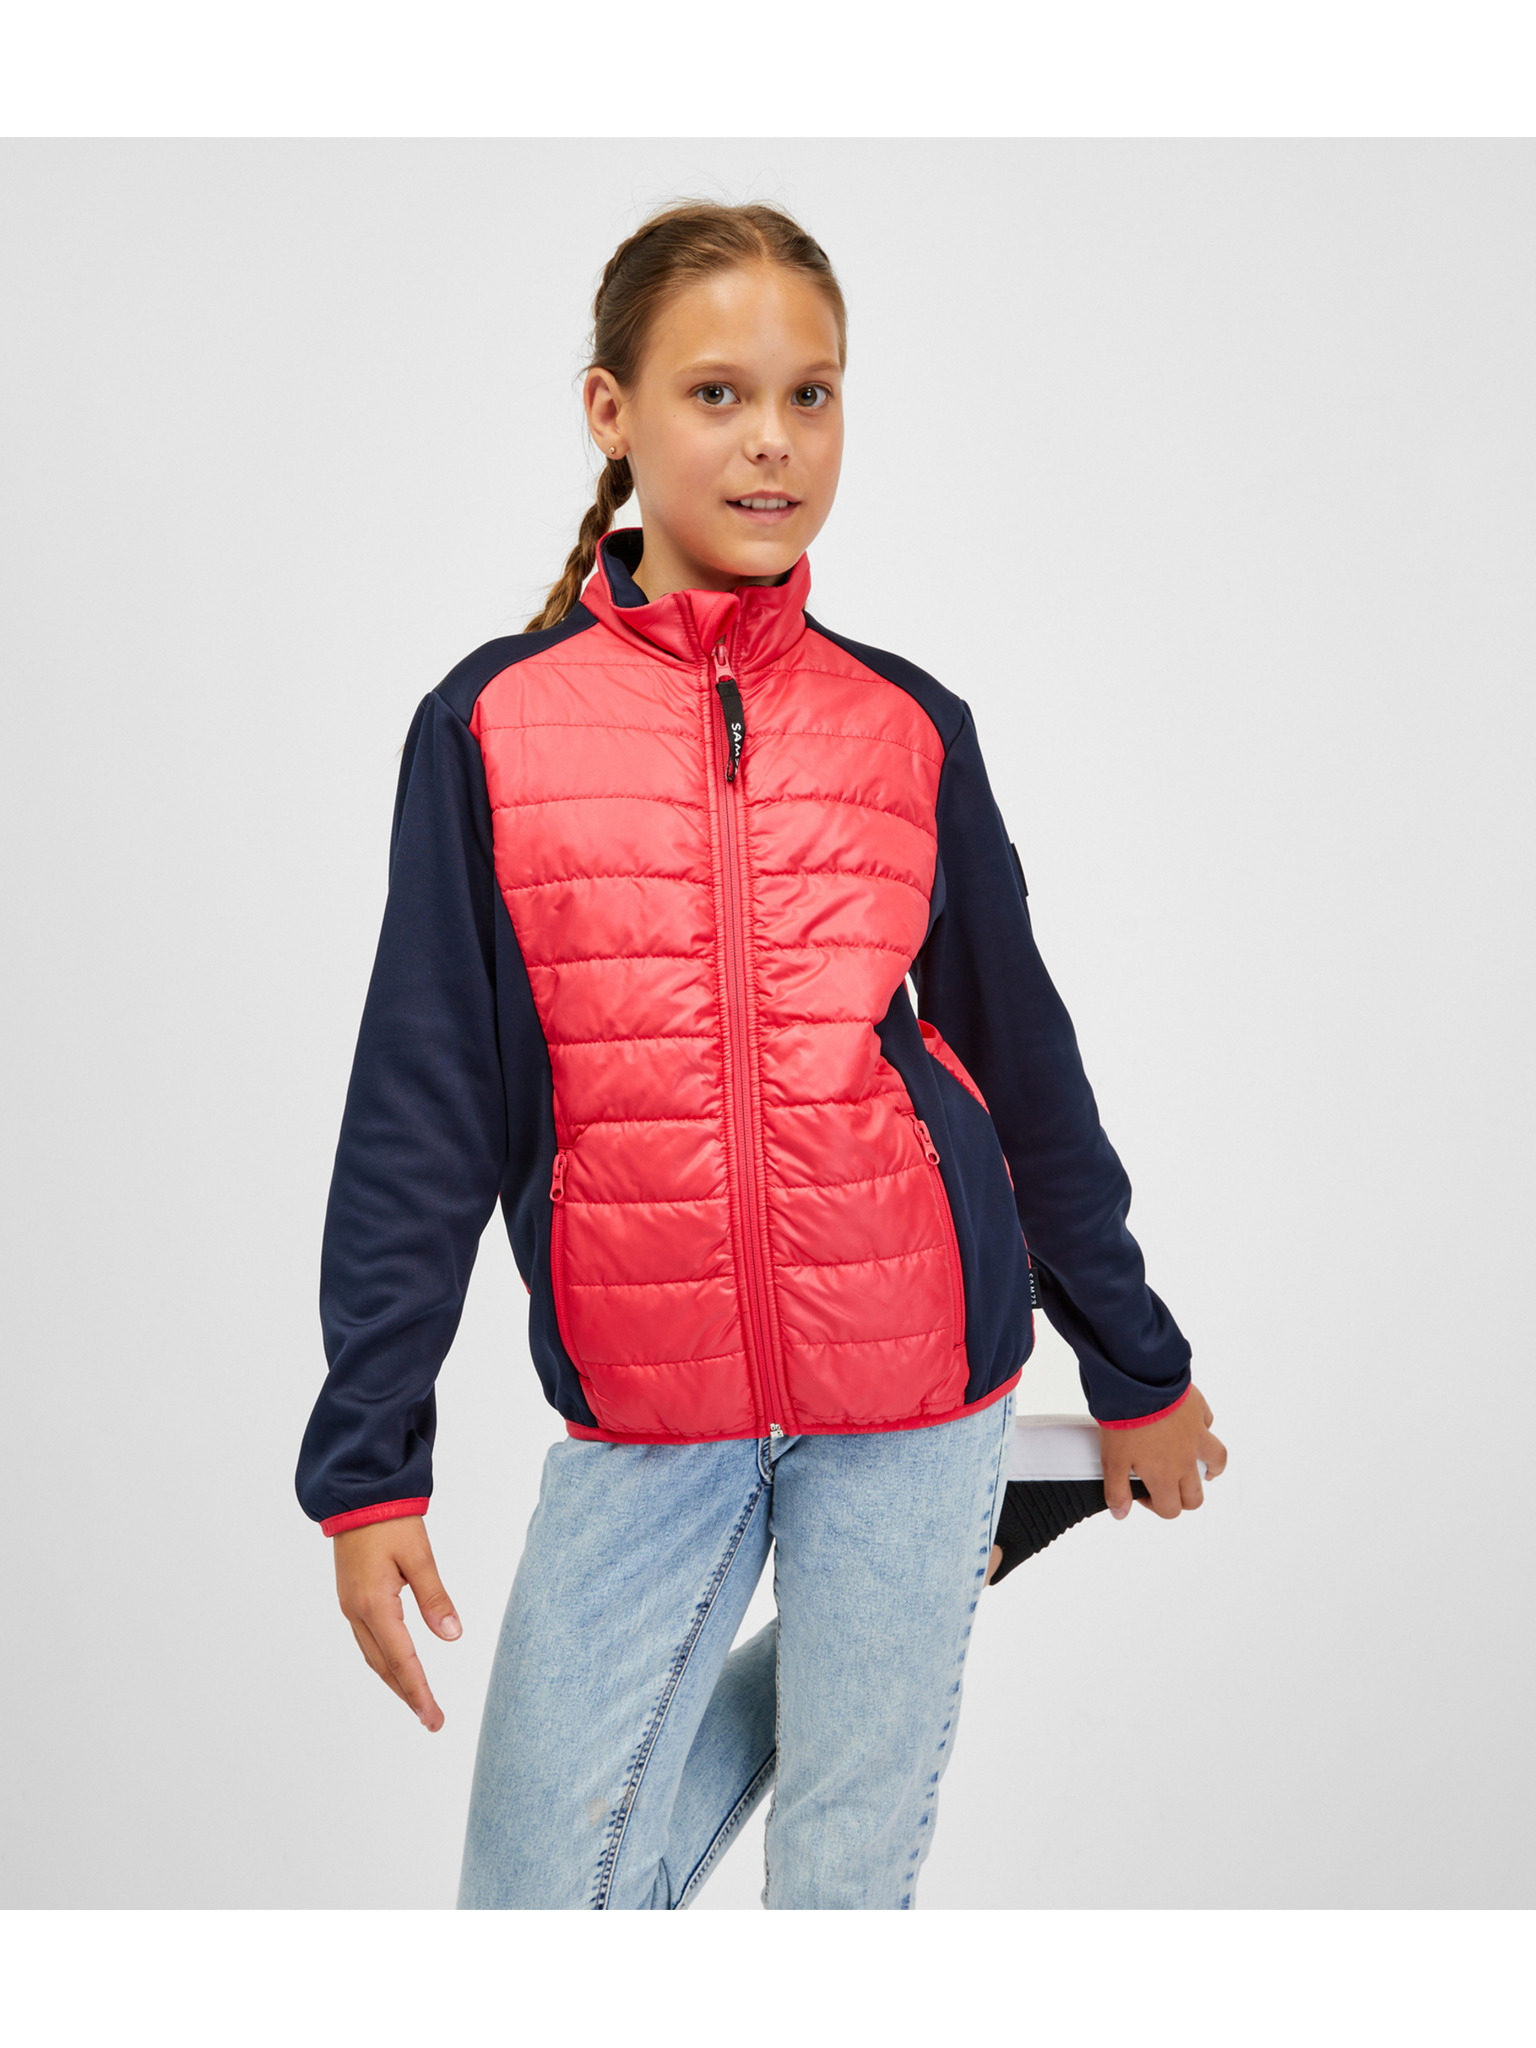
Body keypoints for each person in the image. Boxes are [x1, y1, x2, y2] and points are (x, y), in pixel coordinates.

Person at [295, 198, 1228, 1911]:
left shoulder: (905, 724)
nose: (773, 440)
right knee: (540, 1903)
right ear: (612, 412)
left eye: (813, 394)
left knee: (840, 1895)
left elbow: (1023, 1067)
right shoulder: (490, 724)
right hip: (652, 1410)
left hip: (919, 1377)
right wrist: (370, 1468)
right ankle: (996, 1531)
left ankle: (973, 1512)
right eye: (717, 394)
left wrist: (1139, 1366)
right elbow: (424, 1107)